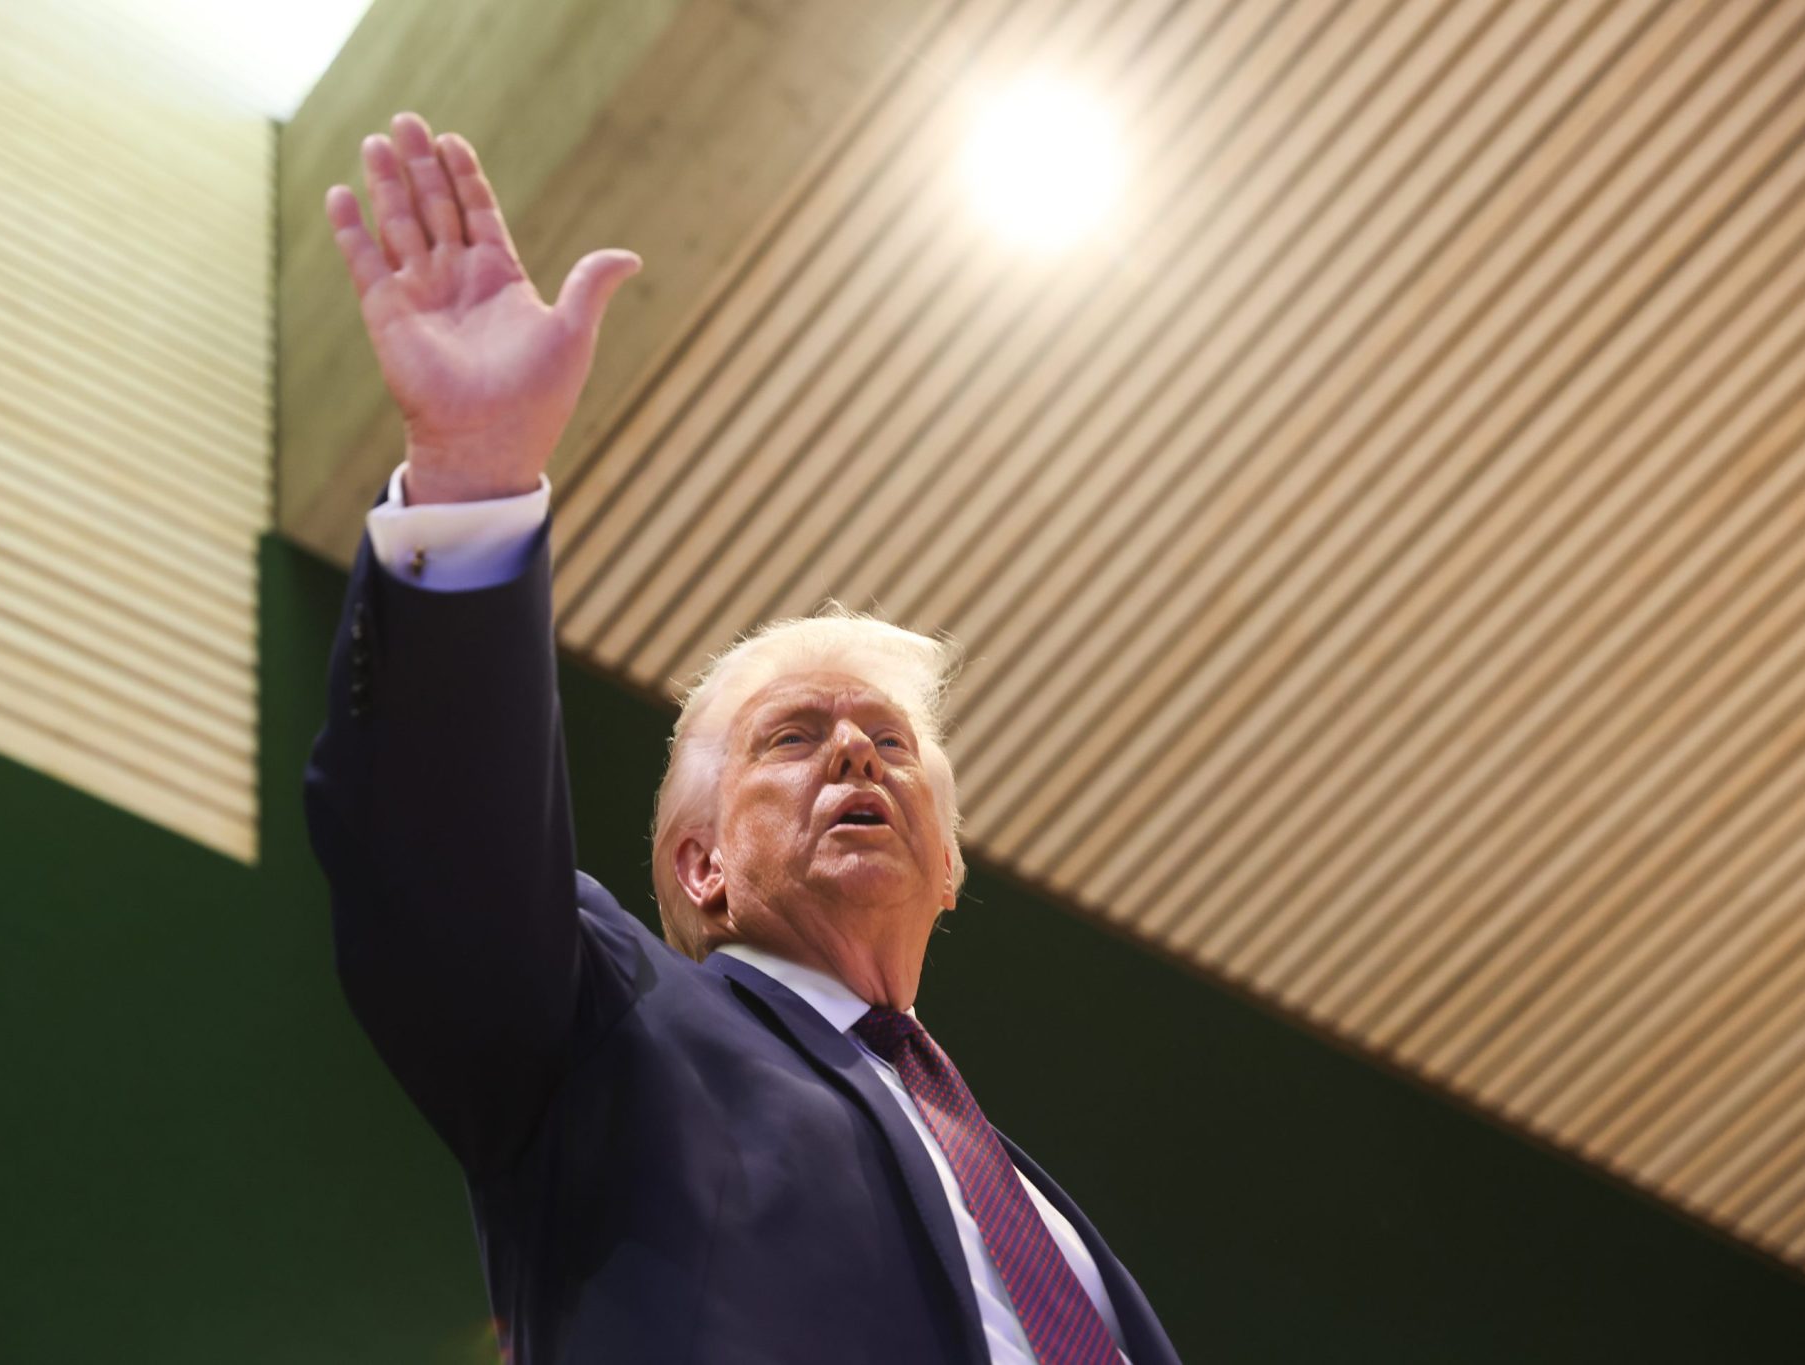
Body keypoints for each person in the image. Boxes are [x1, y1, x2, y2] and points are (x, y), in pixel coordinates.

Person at [304, 109, 1184, 1365]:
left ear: (947, 866)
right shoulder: (610, 1032)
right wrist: (473, 478)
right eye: (792, 737)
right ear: (700, 864)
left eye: (889, 741)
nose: (855, 755)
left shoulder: (1052, 1232)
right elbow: (440, 858)